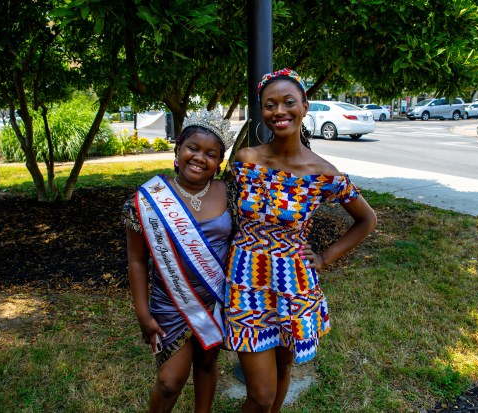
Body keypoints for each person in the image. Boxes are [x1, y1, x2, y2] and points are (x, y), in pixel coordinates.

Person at [223, 68, 377, 413]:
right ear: (261, 111)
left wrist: (324, 258)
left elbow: (366, 220)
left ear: (305, 106)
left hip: (293, 284)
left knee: (283, 367)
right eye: (269, 105)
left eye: (288, 102)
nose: (279, 111)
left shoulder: (324, 173)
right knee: (259, 395)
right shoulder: (246, 160)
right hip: (246, 282)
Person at [123, 110, 237, 413]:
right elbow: (136, 260)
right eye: (193, 148)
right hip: (169, 303)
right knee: (169, 381)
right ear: (177, 149)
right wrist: (143, 314)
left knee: (206, 364)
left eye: (211, 154)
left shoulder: (229, 193)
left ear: (219, 162)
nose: (200, 158)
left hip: (214, 299)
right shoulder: (148, 199)